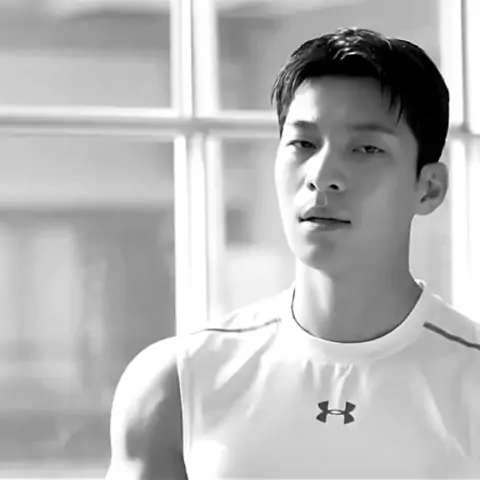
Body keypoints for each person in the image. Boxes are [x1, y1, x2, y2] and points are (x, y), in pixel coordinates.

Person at [105, 27, 480, 479]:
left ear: (429, 187)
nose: (322, 175)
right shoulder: (178, 384)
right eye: (303, 144)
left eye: (365, 148)